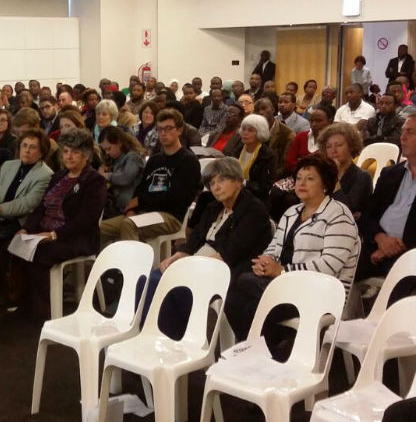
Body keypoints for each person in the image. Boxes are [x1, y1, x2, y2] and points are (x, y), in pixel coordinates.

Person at [225, 154, 360, 343]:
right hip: (284, 284)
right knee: (235, 297)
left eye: (310, 179)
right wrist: (265, 262)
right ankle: (268, 349)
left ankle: (267, 350)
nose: (301, 183)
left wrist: (282, 271)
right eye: (298, 178)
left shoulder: (339, 215)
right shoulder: (292, 212)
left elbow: (330, 265)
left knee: (248, 295)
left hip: (319, 292)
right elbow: (274, 247)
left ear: (325, 184)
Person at [143, 158, 273, 339]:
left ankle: (175, 338)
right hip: (198, 262)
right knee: (150, 279)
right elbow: (195, 238)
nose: (216, 187)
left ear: (237, 181)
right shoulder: (213, 207)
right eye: (212, 183)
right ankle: (151, 335)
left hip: (226, 270)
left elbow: (230, 253)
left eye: (222, 180)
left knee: (172, 285)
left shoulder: (253, 210)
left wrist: (187, 266)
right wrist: (177, 256)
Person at [12, 129, 107, 318]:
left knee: (40, 253)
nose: (69, 156)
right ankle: (26, 305)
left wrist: (54, 235)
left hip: (76, 237)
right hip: (46, 233)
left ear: (86, 155)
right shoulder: (58, 177)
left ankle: (45, 312)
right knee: (16, 246)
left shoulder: (94, 181)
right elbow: (41, 208)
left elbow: (86, 220)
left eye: (75, 152)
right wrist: (26, 229)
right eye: (66, 151)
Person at [100, 108, 201, 246]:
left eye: (168, 128)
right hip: (145, 211)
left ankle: (133, 261)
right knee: (101, 229)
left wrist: (140, 201)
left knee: (129, 225)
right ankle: (103, 260)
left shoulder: (188, 161)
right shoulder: (154, 160)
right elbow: (141, 187)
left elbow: (176, 198)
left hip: (170, 216)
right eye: (159, 129)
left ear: (179, 130)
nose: (163, 133)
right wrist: (132, 209)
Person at [0, 130, 54, 303]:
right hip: (0, 219)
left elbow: (29, 204)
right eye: (24, 146)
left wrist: (0, 209)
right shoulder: (9, 166)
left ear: (42, 152)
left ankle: (6, 291)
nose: (27, 150)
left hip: (24, 222)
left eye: (33, 147)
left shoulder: (45, 174)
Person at [355, 114, 416, 281]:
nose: (403, 137)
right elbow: (367, 214)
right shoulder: (391, 173)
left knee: (400, 281)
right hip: (376, 244)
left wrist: (394, 248)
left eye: (410, 132)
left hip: (410, 252)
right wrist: (380, 239)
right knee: (342, 271)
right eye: (403, 131)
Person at [318, 122, 373, 218]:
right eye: (328, 147)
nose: (333, 150)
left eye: (339, 145)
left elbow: (345, 209)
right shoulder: (321, 173)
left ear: (351, 147)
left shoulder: (363, 177)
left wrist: (335, 179)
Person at [99, 126, 146, 218]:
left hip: (132, 210)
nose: (107, 153)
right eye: (105, 150)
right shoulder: (115, 159)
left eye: (109, 148)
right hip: (117, 207)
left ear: (119, 142)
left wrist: (106, 175)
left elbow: (126, 177)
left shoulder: (134, 157)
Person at [234, 114, 274, 203]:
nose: (245, 132)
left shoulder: (267, 155)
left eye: (250, 130)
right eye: (243, 129)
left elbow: (263, 188)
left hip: (254, 199)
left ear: (260, 133)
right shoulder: (238, 148)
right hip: (235, 191)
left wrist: (243, 182)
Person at [255, 97, 295, 179]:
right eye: (257, 110)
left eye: (264, 108)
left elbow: (285, 165)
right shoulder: (253, 130)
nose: (260, 112)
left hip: (275, 178)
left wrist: (269, 178)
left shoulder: (287, 134)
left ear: (273, 110)